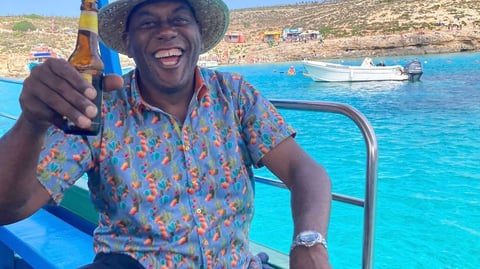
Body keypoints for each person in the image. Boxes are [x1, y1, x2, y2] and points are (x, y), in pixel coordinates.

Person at [0, 0, 332, 268]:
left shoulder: (235, 95)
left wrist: (309, 240)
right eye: (147, 23)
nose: (165, 31)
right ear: (128, 43)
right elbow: (10, 208)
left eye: (179, 19)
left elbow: (305, 171)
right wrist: (31, 123)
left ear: (199, 35)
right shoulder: (101, 110)